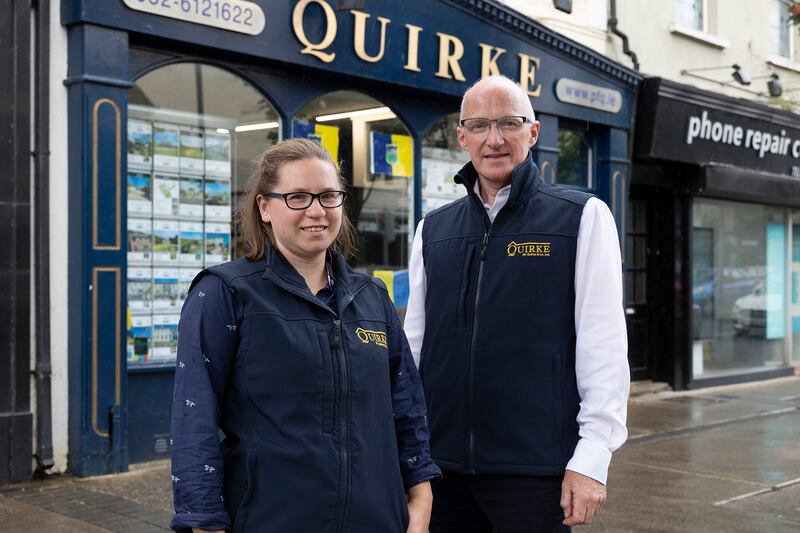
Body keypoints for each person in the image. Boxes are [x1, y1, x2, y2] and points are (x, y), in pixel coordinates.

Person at [170, 138, 441, 533]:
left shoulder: (372, 297)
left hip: (378, 519)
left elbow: (407, 408)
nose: (316, 211)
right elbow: (194, 418)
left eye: (328, 196)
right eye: (297, 197)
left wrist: (421, 496)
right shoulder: (224, 293)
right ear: (265, 206)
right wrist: (204, 521)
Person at [404, 75, 630, 532]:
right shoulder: (433, 229)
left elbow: (603, 344)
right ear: (461, 136)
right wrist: (407, 447)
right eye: (480, 125)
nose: (494, 139)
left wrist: (592, 457)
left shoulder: (581, 217)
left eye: (509, 122)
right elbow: (414, 346)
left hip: (535, 469)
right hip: (442, 467)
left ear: (532, 132)